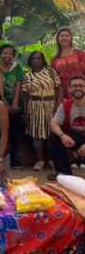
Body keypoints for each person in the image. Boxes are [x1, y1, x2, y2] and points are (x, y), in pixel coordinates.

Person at [50, 27, 85, 167]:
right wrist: (59, 98)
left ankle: (82, 156)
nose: (64, 38)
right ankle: (75, 157)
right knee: (68, 124)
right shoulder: (55, 57)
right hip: (64, 94)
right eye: (61, 36)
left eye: (67, 35)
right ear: (58, 38)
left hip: (80, 91)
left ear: (71, 38)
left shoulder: (79, 53)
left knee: (81, 121)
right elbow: (54, 78)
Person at [22, 51, 63, 171]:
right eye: (34, 58)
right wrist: (25, 113)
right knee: (36, 134)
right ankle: (40, 160)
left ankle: (51, 159)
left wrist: (58, 104)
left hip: (50, 105)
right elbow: (25, 96)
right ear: (30, 60)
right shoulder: (27, 76)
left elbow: (59, 88)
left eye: (39, 58)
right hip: (34, 106)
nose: (36, 60)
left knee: (52, 132)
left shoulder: (50, 72)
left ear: (42, 60)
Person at [47, 75, 85, 181]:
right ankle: (64, 174)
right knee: (55, 136)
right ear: (69, 89)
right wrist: (63, 136)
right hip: (77, 138)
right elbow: (53, 124)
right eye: (74, 86)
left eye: (81, 85)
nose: (78, 88)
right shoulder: (65, 105)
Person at [0, 44, 24, 169]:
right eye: (4, 53)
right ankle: (0, 157)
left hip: (15, 106)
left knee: (14, 131)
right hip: (0, 105)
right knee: (1, 131)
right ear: (0, 54)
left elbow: (18, 85)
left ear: (13, 55)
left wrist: (14, 103)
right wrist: (4, 103)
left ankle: (12, 158)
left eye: (9, 53)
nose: (7, 55)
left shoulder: (17, 67)